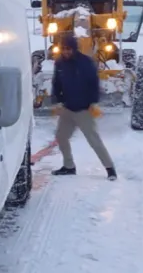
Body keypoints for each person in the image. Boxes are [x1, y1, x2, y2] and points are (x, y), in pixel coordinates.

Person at [50, 34, 118, 180]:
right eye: (63, 49)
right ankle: (69, 166)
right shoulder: (60, 63)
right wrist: (58, 100)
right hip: (68, 109)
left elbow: (94, 84)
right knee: (61, 137)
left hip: (84, 109)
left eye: (68, 49)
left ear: (74, 49)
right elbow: (56, 84)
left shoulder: (86, 63)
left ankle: (110, 169)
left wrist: (93, 102)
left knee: (94, 140)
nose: (66, 52)